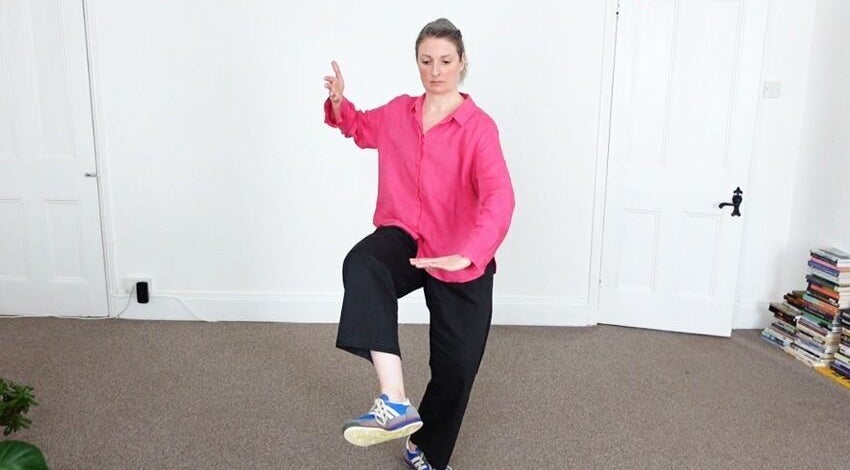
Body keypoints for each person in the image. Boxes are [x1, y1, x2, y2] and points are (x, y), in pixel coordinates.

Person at [322, 18, 515, 470]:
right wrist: (338, 103)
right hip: (407, 238)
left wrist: (471, 250)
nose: (435, 70)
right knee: (364, 263)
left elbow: (500, 196)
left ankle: (424, 448)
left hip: (459, 255)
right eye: (426, 61)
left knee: (457, 371)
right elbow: (359, 127)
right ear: (417, 63)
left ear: (462, 63)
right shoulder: (398, 113)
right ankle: (394, 399)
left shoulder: (479, 128)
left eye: (446, 61)